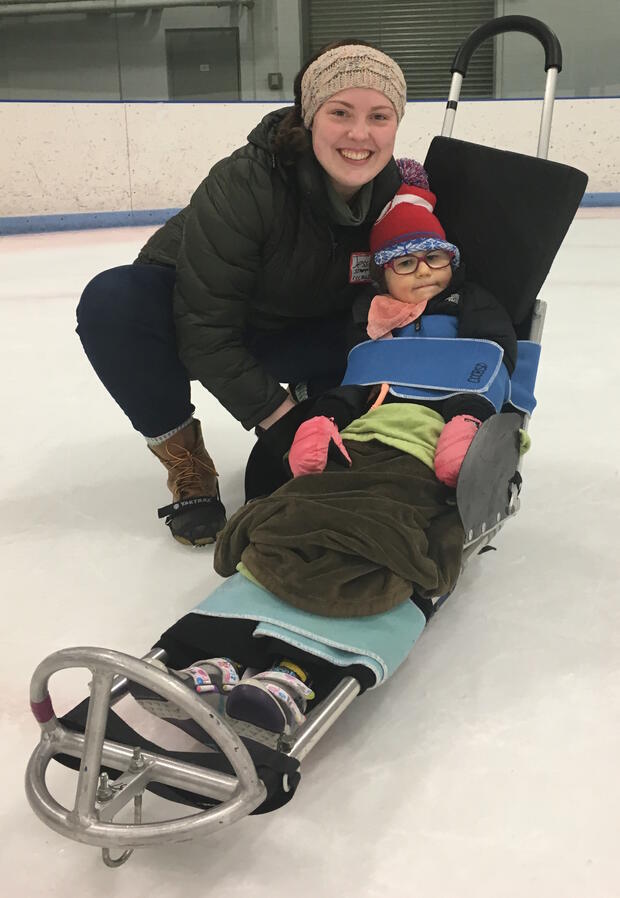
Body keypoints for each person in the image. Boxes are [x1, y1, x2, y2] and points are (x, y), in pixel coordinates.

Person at [129, 187, 520, 742]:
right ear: (381, 275)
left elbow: (490, 370)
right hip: (359, 444)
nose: (425, 272)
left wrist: (467, 424)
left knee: (378, 531)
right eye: (406, 263)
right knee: (293, 512)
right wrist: (321, 421)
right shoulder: (372, 324)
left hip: (428, 454)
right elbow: (352, 389)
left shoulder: (469, 311)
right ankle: (218, 652)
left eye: (436, 259)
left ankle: (294, 673)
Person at [76, 40, 426, 546]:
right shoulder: (246, 183)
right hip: (201, 320)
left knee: (376, 336)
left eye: (379, 116)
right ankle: (187, 462)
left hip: (296, 327)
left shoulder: (396, 195)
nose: (359, 134)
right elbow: (204, 331)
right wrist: (278, 420)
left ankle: (323, 407)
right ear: (309, 117)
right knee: (113, 301)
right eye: (340, 112)